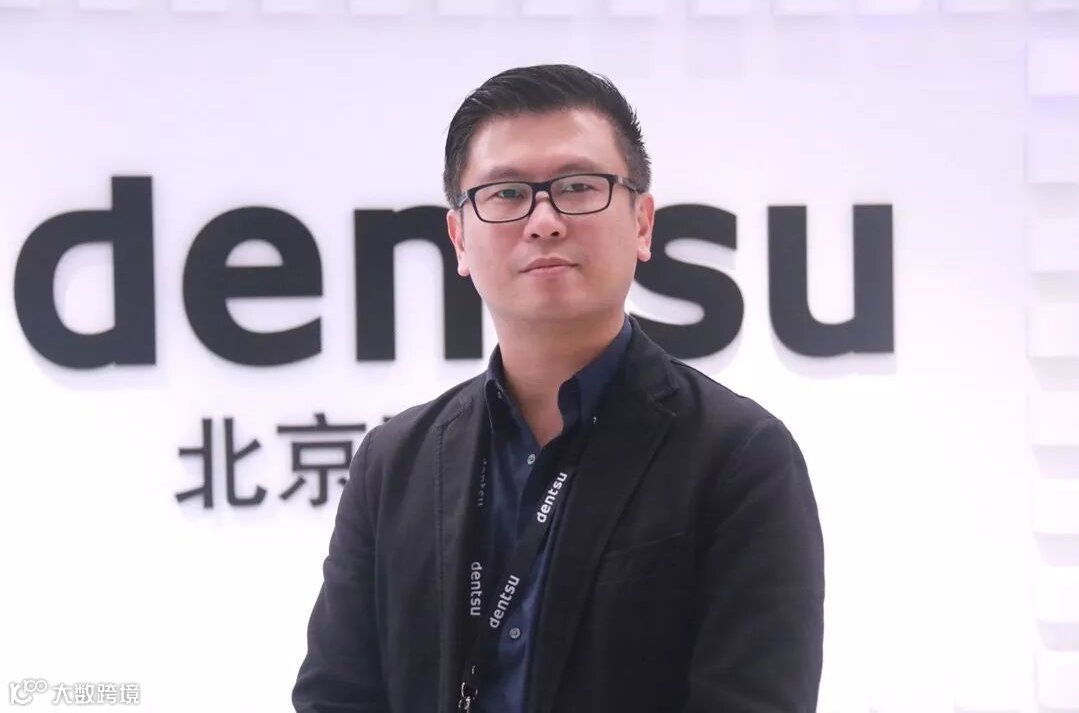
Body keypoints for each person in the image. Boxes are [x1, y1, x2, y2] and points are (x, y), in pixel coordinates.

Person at [292, 63, 825, 713]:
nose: (543, 221)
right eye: (506, 194)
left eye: (577, 187)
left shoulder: (738, 457)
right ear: (459, 239)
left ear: (642, 222)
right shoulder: (394, 463)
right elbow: (336, 695)